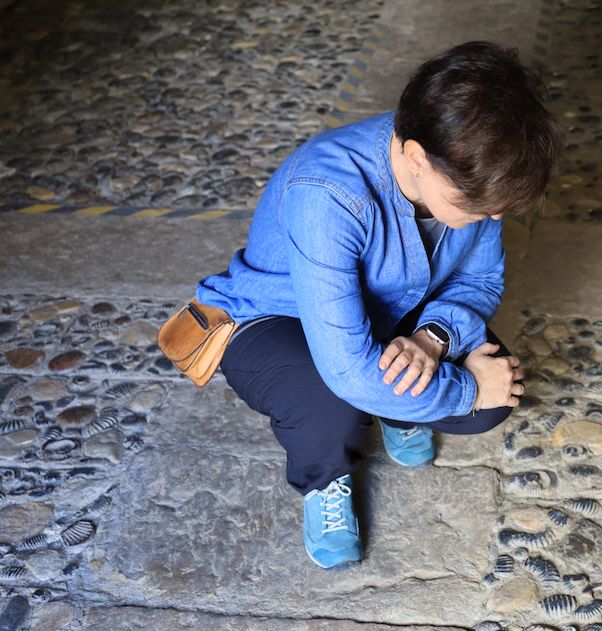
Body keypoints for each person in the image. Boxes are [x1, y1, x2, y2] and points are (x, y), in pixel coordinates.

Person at [194, 41, 562, 569]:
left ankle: (396, 397)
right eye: (477, 206)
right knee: (336, 400)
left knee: (496, 402)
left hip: (399, 307)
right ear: (416, 158)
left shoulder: (471, 171)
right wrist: (465, 388)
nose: (493, 219)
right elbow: (345, 369)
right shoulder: (326, 191)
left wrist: (431, 340)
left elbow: (480, 281)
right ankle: (325, 479)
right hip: (275, 319)